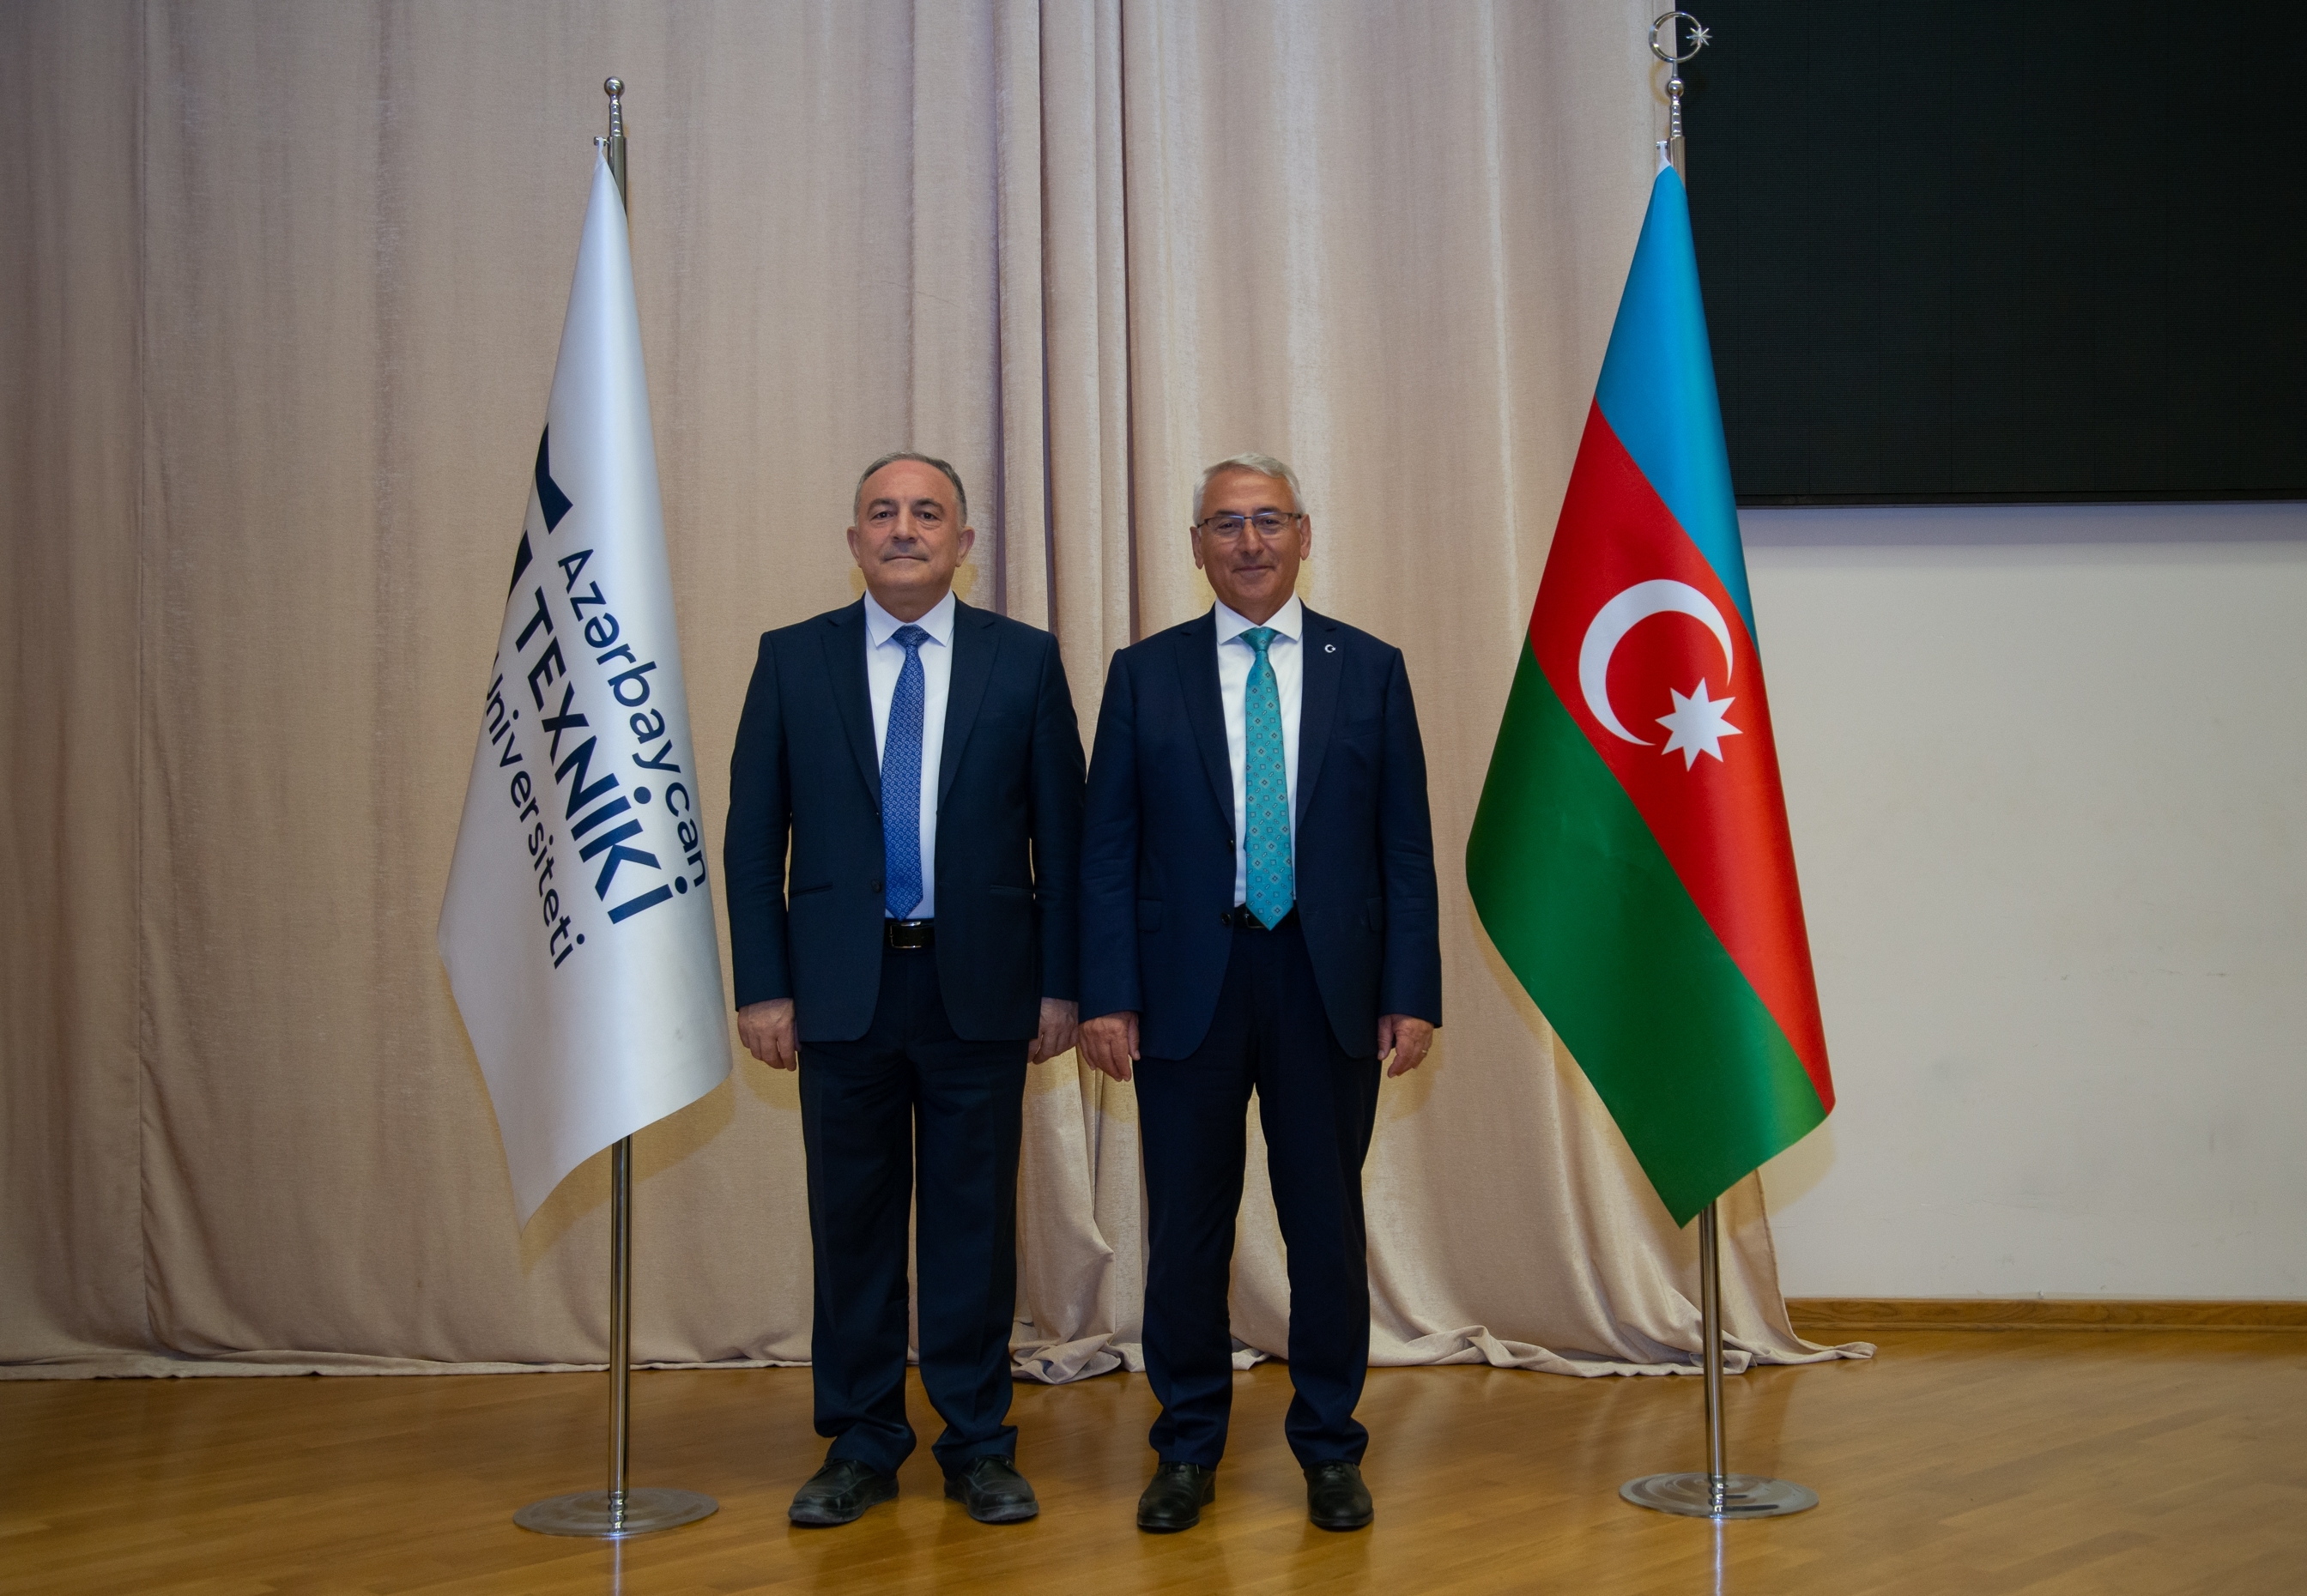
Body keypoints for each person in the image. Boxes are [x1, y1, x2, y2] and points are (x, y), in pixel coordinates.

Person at [1076, 452, 1442, 1534]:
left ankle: (1330, 1447)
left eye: (1268, 521)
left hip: (1327, 985)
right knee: (1188, 1231)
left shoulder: (1369, 668)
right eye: (1227, 524)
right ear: (1197, 546)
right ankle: (1186, 1446)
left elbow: (1405, 848)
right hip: (1186, 986)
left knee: (1324, 1227)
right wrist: (1107, 994)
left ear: (1303, 534)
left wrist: (1410, 989)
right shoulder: (1144, 674)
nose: (1249, 542)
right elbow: (1108, 851)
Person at [724, 452, 1083, 1527]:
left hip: (982, 991)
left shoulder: (1025, 661)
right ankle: (862, 1442)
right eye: (882, 513)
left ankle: (978, 1444)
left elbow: (1065, 842)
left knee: (974, 1229)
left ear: (963, 544)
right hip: (841, 992)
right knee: (854, 1228)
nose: (903, 530)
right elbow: (753, 839)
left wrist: (1061, 985)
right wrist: (764, 987)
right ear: (854, 541)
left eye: (927, 514)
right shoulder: (792, 659)